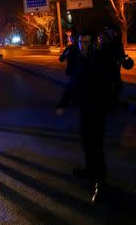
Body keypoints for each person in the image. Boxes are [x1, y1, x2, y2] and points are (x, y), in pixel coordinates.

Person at [71, 29, 113, 203]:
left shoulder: (97, 60)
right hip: (84, 108)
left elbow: (104, 85)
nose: (83, 45)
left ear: (94, 43)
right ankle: (89, 171)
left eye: (87, 42)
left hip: (96, 110)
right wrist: (64, 103)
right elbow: (74, 82)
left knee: (95, 145)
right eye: (81, 41)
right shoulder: (80, 59)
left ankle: (100, 181)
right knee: (86, 141)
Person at [56, 32, 79, 115]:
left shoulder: (71, 48)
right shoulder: (71, 48)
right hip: (74, 72)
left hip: (75, 71)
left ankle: (68, 103)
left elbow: (62, 58)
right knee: (72, 87)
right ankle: (66, 104)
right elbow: (61, 58)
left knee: (73, 87)